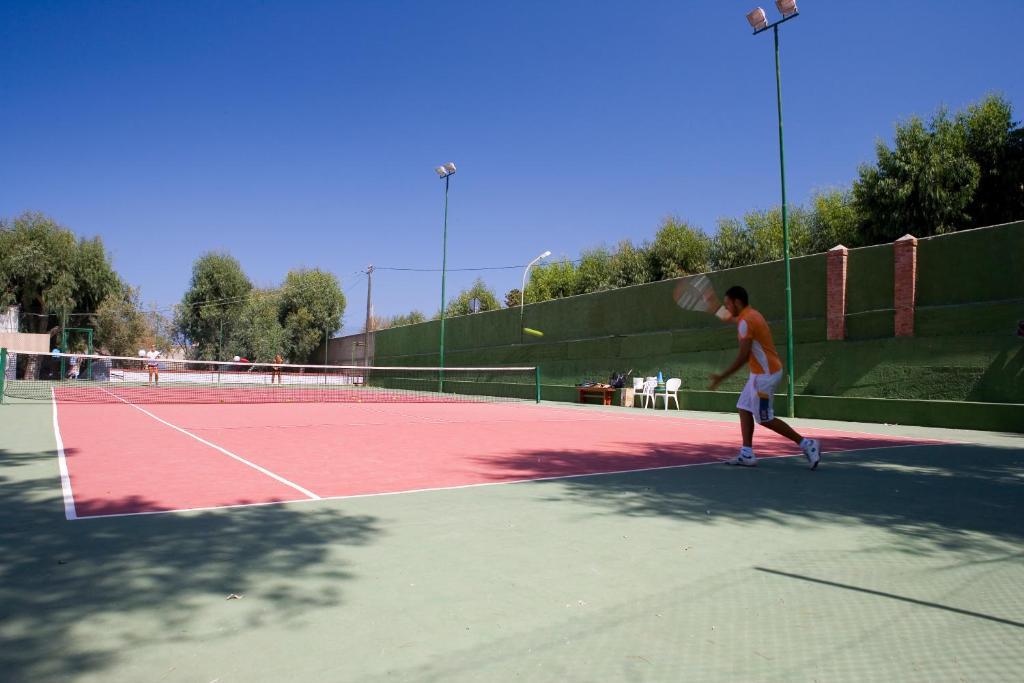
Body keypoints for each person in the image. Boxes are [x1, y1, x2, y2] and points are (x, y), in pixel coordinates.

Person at [708, 285, 821, 469]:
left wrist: (722, 377)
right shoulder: (750, 314)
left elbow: (744, 356)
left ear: (737, 302)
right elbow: (729, 317)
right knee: (743, 407)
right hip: (759, 374)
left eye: (727, 304)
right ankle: (747, 454)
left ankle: (807, 444)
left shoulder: (747, 322)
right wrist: (713, 306)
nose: (726, 307)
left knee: (764, 418)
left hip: (765, 376)